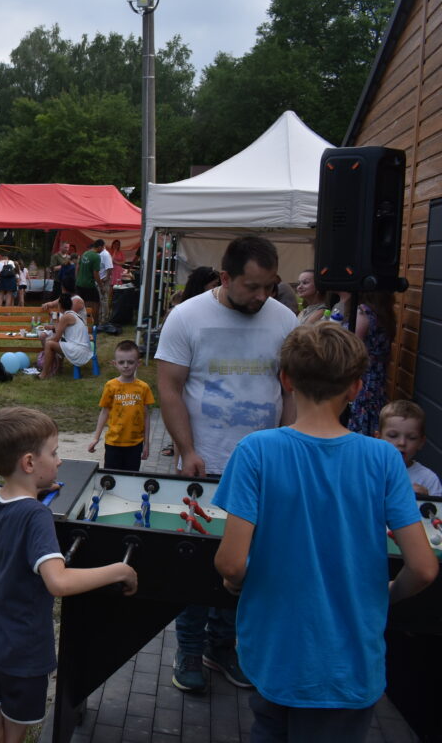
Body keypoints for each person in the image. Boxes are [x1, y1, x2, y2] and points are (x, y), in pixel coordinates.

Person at [213, 322, 437, 741]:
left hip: (274, 656)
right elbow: (423, 568)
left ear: (285, 379)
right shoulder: (385, 460)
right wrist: (389, 594)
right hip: (350, 666)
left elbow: (230, 561)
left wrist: (236, 582)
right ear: (354, 387)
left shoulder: (255, 451)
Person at [156, 235, 298, 694]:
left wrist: (289, 448)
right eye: (252, 287)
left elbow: (291, 392)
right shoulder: (187, 316)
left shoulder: (285, 319)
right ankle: (190, 651)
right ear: (224, 278)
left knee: (247, 566)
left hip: (264, 470)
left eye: (269, 286)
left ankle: (224, 647)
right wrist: (188, 450)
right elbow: (170, 389)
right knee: (198, 567)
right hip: (206, 463)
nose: (262, 296)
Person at [0, 406, 137, 743]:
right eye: (54, 452)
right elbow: (58, 582)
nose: (59, 461)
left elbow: (16, 506)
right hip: (22, 654)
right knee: (12, 737)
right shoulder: (35, 517)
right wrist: (119, 570)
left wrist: (36, 492)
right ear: (29, 463)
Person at [88, 340, 155, 471]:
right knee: (111, 477)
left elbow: (146, 416)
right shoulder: (111, 386)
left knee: (131, 478)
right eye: (121, 362)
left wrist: (146, 443)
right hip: (113, 443)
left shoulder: (143, 388)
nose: (126, 366)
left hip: (135, 444)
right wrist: (96, 438)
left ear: (138, 363)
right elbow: (104, 412)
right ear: (115, 363)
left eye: (130, 362)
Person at [335, 290, 392, 436]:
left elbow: (351, 348)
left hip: (364, 382)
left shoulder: (363, 312)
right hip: (376, 382)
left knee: (360, 426)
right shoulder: (381, 314)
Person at [378, 399, 442, 497]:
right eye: (393, 435)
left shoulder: (428, 479)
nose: (402, 443)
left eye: (411, 438)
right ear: (378, 438)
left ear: (421, 442)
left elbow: (437, 511)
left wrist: (426, 499)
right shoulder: (367, 471)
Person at [37, 293, 92, 380]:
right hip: (83, 348)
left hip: (79, 351)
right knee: (53, 343)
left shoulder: (66, 317)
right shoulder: (73, 314)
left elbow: (56, 338)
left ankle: (44, 374)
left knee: (49, 344)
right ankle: (55, 368)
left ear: (60, 305)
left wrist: (47, 340)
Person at [75, 240, 103, 323]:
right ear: (99, 247)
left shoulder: (85, 253)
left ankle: (79, 322)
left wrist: (77, 279)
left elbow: (78, 267)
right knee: (95, 304)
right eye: (103, 247)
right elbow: (96, 273)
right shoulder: (96, 256)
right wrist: (101, 285)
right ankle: (95, 324)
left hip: (79, 284)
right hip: (89, 284)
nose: (103, 249)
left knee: (80, 304)